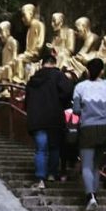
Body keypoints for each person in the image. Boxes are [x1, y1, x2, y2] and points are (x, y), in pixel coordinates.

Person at [72, 58, 106, 211]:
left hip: (88, 128)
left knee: (86, 164)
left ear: (87, 70)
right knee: (97, 166)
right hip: (105, 127)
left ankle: (90, 196)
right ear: (102, 71)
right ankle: (95, 195)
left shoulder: (80, 87)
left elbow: (76, 110)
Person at [25, 53, 74, 189]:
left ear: (42, 64)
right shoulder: (58, 76)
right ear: (54, 63)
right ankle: (52, 174)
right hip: (54, 117)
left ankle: (40, 179)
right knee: (54, 147)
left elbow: (27, 99)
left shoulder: (33, 79)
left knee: (41, 149)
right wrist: (61, 102)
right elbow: (68, 91)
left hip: (37, 118)